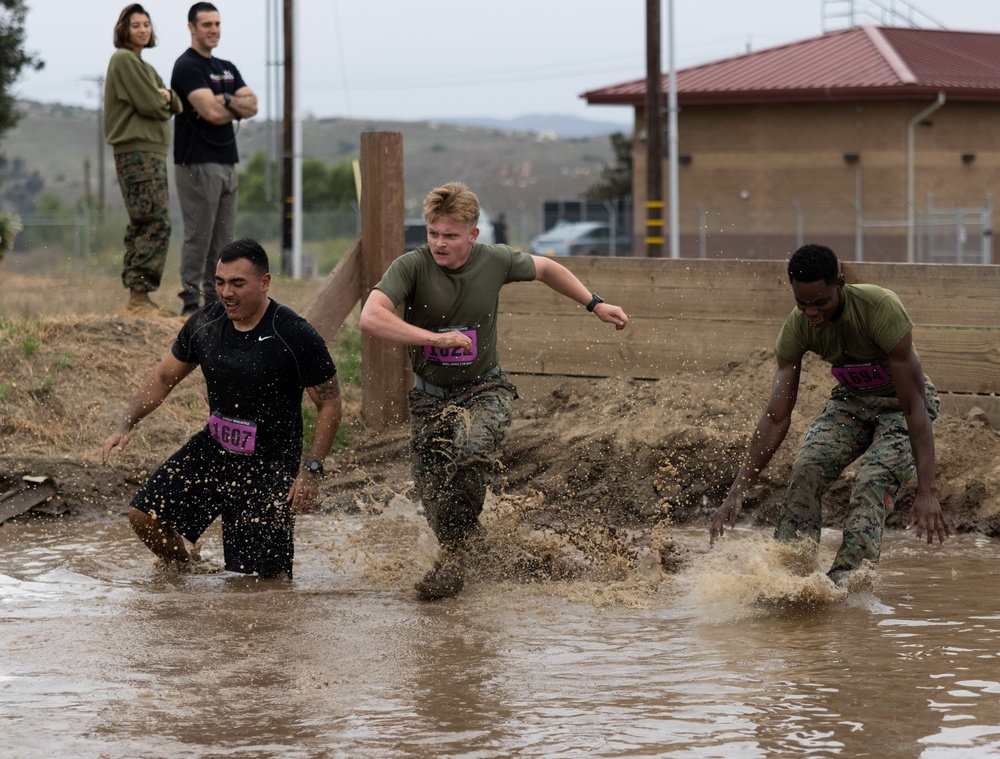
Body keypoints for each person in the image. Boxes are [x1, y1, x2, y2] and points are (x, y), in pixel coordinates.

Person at [359, 181, 629, 600]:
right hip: (429, 398)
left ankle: (455, 564)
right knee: (433, 496)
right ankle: (477, 554)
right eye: (433, 233)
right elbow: (371, 318)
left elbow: (547, 269)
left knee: (470, 454)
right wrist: (435, 340)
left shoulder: (496, 260)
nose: (439, 244)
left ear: (473, 235)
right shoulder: (411, 266)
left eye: (450, 235)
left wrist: (595, 304)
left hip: (485, 389)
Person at [710, 243, 949, 588]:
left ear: (840, 283)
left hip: (900, 407)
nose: (812, 313)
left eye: (820, 302)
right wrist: (737, 490)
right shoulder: (798, 328)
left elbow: (915, 406)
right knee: (806, 467)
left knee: (871, 481)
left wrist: (928, 491)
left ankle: (847, 586)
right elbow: (776, 417)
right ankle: (791, 576)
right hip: (851, 402)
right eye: (802, 303)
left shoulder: (879, 308)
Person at [101, 238, 342, 579]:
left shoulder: (294, 333)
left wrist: (311, 470)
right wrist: (126, 423)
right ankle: (184, 570)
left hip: (268, 465)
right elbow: (164, 377)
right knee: (145, 515)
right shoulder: (205, 323)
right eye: (220, 282)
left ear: (265, 282)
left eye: (237, 283)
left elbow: (330, 403)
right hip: (214, 448)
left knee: (259, 585)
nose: (226, 292)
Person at [172, 2, 258, 316]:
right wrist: (231, 105)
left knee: (224, 239)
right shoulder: (187, 66)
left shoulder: (226, 66)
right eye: (207, 24)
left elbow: (253, 105)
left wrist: (224, 99)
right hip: (197, 161)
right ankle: (190, 302)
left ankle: (216, 301)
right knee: (200, 235)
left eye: (217, 24)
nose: (213, 30)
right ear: (192, 27)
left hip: (226, 161)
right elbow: (208, 112)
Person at [104, 4, 182, 316]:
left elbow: (172, 99)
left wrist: (169, 98)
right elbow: (154, 103)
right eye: (135, 25)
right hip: (137, 152)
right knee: (154, 220)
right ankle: (139, 298)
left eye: (146, 24)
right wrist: (165, 100)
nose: (142, 30)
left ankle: (139, 297)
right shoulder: (123, 59)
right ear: (124, 30)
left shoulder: (143, 65)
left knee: (145, 219)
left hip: (150, 152)